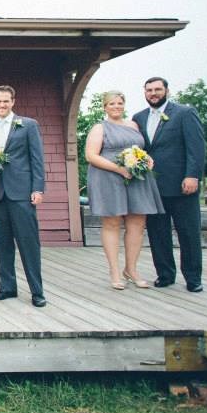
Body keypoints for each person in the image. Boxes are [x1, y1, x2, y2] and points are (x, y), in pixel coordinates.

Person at [132, 77, 206, 292]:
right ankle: (165, 274)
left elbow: (196, 147)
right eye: (149, 90)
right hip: (152, 187)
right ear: (144, 93)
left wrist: (192, 176)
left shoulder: (184, 113)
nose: (153, 93)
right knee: (158, 233)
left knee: (188, 233)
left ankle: (193, 278)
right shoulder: (139, 117)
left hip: (183, 185)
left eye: (157, 89)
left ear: (167, 90)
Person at [86, 90, 164, 290]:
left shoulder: (133, 125)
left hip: (137, 178)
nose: (116, 107)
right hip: (109, 177)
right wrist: (118, 169)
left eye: (120, 103)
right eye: (112, 104)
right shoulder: (99, 128)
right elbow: (91, 156)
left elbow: (141, 148)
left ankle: (131, 269)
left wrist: (146, 158)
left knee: (137, 222)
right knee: (112, 222)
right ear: (105, 107)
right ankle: (114, 271)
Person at [0, 85, 47, 307]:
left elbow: (37, 158)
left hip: (22, 193)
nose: (2, 105)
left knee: (28, 243)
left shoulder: (28, 125)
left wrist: (38, 188)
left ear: (13, 101)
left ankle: (37, 291)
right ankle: (7, 287)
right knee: (3, 243)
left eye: (6, 101)